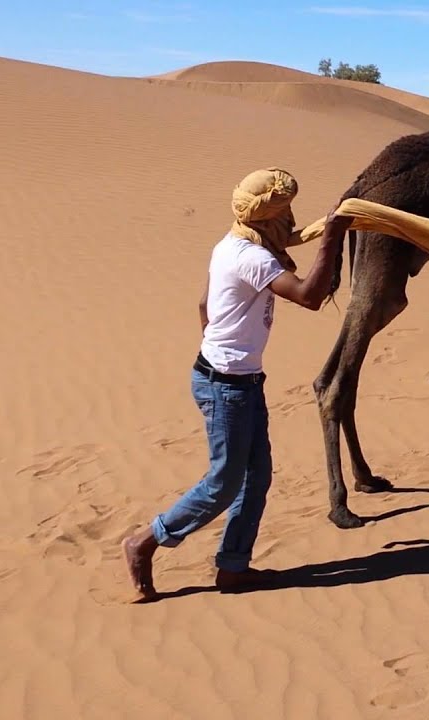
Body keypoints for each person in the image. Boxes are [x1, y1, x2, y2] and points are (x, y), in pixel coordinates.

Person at [121, 167, 351, 601]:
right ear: (268, 219)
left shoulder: (230, 244)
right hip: (226, 384)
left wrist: (222, 347)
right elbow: (309, 297)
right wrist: (332, 237)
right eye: (286, 214)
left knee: (256, 476)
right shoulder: (253, 257)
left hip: (233, 378)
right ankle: (145, 542)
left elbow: (204, 305)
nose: (291, 222)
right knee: (223, 482)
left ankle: (232, 567)